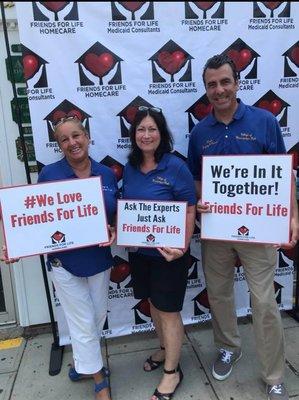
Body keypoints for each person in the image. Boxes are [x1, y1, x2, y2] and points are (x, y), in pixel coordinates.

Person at [187, 54, 299, 400]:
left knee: (264, 302)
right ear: (205, 89)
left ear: (237, 83)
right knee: (219, 294)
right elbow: (195, 179)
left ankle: (274, 374)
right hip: (217, 230)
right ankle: (228, 347)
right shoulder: (200, 131)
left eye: (224, 82)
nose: (219, 90)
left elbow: (283, 175)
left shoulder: (265, 121)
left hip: (259, 229)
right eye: (211, 84)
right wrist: (202, 199)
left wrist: (293, 216)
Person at [1, 116, 118, 400]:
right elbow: (36, 219)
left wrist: (114, 228)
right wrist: (15, 245)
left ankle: (83, 364)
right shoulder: (50, 175)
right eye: (64, 139)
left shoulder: (107, 173)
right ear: (59, 145)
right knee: (81, 321)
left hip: (99, 258)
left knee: (96, 317)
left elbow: (114, 212)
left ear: (87, 137)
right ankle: (99, 379)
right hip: (64, 262)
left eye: (76, 136)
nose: (72, 143)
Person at [122, 106, 196, 400]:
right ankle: (165, 350)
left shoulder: (176, 166)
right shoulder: (130, 166)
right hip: (141, 253)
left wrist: (183, 246)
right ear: (134, 135)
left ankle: (172, 372)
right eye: (141, 129)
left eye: (152, 129)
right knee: (153, 305)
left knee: (168, 311)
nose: (146, 134)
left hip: (169, 255)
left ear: (161, 133)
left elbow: (190, 208)